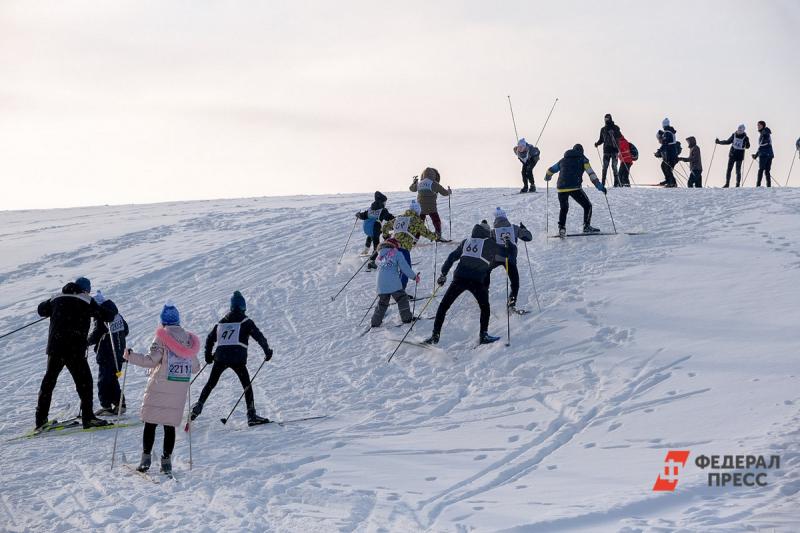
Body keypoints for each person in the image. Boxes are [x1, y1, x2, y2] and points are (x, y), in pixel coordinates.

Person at [124, 302, 201, 475]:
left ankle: (145, 461)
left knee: (150, 423)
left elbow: (151, 360)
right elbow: (195, 367)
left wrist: (130, 356)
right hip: (178, 388)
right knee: (169, 426)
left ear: (163, 320)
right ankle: (166, 463)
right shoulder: (189, 339)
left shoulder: (162, 336)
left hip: (160, 386)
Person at [35, 277, 115, 430]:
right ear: (85, 290)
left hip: (55, 348)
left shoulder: (55, 298)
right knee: (85, 383)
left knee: (48, 383)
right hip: (74, 349)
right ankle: (88, 417)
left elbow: (41, 310)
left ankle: (40, 420)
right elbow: (107, 315)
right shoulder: (86, 300)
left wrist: (57, 308)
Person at [191, 291, 272, 426]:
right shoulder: (246, 322)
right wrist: (267, 351)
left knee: (211, 383)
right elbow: (259, 336)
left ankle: (197, 408)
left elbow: (210, 338)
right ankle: (251, 415)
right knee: (246, 385)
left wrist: (208, 355)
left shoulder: (222, 322)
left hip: (220, 357)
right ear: (243, 307)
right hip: (237, 358)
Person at [424, 223, 502, 346]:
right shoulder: (489, 243)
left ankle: (435, 335)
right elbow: (503, 252)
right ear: (485, 233)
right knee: (484, 307)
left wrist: (443, 273)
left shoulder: (466, 242)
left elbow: (451, 257)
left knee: (443, 306)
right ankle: (483, 335)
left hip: (459, 278)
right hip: (476, 281)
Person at [544, 144, 606, 238]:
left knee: (564, 208)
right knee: (587, 205)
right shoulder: (583, 160)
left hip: (561, 187)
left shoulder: (563, 160)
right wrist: (599, 186)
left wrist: (548, 176)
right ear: (582, 152)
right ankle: (586, 226)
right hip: (574, 187)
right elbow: (591, 174)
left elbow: (550, 170)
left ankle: (562, 228)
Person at [87, 290, 129, 416]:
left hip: (106, 354)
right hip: (118, 353)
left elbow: (96, 334)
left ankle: (106, 406)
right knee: (112, 379)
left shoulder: (102, 316)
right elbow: (126, 330)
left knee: (104, 380)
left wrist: (85, 342)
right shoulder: (117, 315)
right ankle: (119, 404)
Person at [381, 199, 436, 289]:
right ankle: (400, 291)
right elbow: (425, 232)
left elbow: (385, 226)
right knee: (405, 269)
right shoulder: (416, 220)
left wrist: (386, 236)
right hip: (403, 249)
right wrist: (435, 237)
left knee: (392, 269)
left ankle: (389, 288)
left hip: (392, 247)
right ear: (417, 211)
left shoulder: (399, 218)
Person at [370, 238, 421, 328]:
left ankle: (375, 322)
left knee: (382, 303)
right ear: (395, 245)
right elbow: (405, 268)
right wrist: (414, 276)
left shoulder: (379, 256)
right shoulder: (397, 253)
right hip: (393, 282)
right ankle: (406, 318)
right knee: (402, 298)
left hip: (380, 283)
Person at [488, 208, 532, 310]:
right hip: (510, 259)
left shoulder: (493, 231)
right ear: (505, 216)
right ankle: (511, 302)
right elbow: (529, 238)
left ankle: (483, 291)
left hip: (496, 258)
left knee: (486, 271)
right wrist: (524, 229)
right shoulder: (514, 228)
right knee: (515, 282)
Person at [409, 167, 451, 241]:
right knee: (436, 221)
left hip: (420, 208)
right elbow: (444, 193)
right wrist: (449, 191)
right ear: (433, 175)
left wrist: (414, 182)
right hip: (431, 207)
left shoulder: (419, 183)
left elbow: (411, 189)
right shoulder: (433, 183)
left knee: (419, 223)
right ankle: (438, 236)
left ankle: (415, 239)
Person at [356, 191, 394, 265]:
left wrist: (358, 215)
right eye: (384, 202)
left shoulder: (370, 209)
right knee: (377, 246)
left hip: (366, 229)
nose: (385, 203)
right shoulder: (383, 210)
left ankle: (366, 250)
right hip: (374, 230)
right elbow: (389, 217)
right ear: (382, 202)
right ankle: (371, 261)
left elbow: (363, 215)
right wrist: (396, 219)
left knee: (370, 236)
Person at [594, 113, 621, 187]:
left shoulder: (615, 128)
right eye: (605, 119)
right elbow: (601, 139)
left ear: (610, 118)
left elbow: (620, 137)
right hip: (606, 150)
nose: (606, 120)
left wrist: (614, 134)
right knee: (605, 167)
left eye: (607, 118)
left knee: (614, 167)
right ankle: (603, 184)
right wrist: (597, 143)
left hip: (614, 150)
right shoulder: (603, 129)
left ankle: (616, 183)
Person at [655, 118, 679, 187]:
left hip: (671, 155)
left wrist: (659, 151)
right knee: (664, 166)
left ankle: (672, 183)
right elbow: (666, 145)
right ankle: (668, 180)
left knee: (667, 168)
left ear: (663, 125)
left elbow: (665, 144)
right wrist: (659, 153)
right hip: (671, 154)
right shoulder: (669, 132)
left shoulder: (667, 133)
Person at [753, 121, 774, 187]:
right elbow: (761, 146)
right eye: (757, 125)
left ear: (762, 125)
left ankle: (758, 185)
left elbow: (762, 144)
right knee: (767, 171)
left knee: (761, 169)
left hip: (764, 154)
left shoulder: (764, 132)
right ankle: (769, 186)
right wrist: (756, 155)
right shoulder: (765, 132)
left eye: (759, 125)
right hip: (769, 154)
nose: (758, 126)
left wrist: (756, 155)